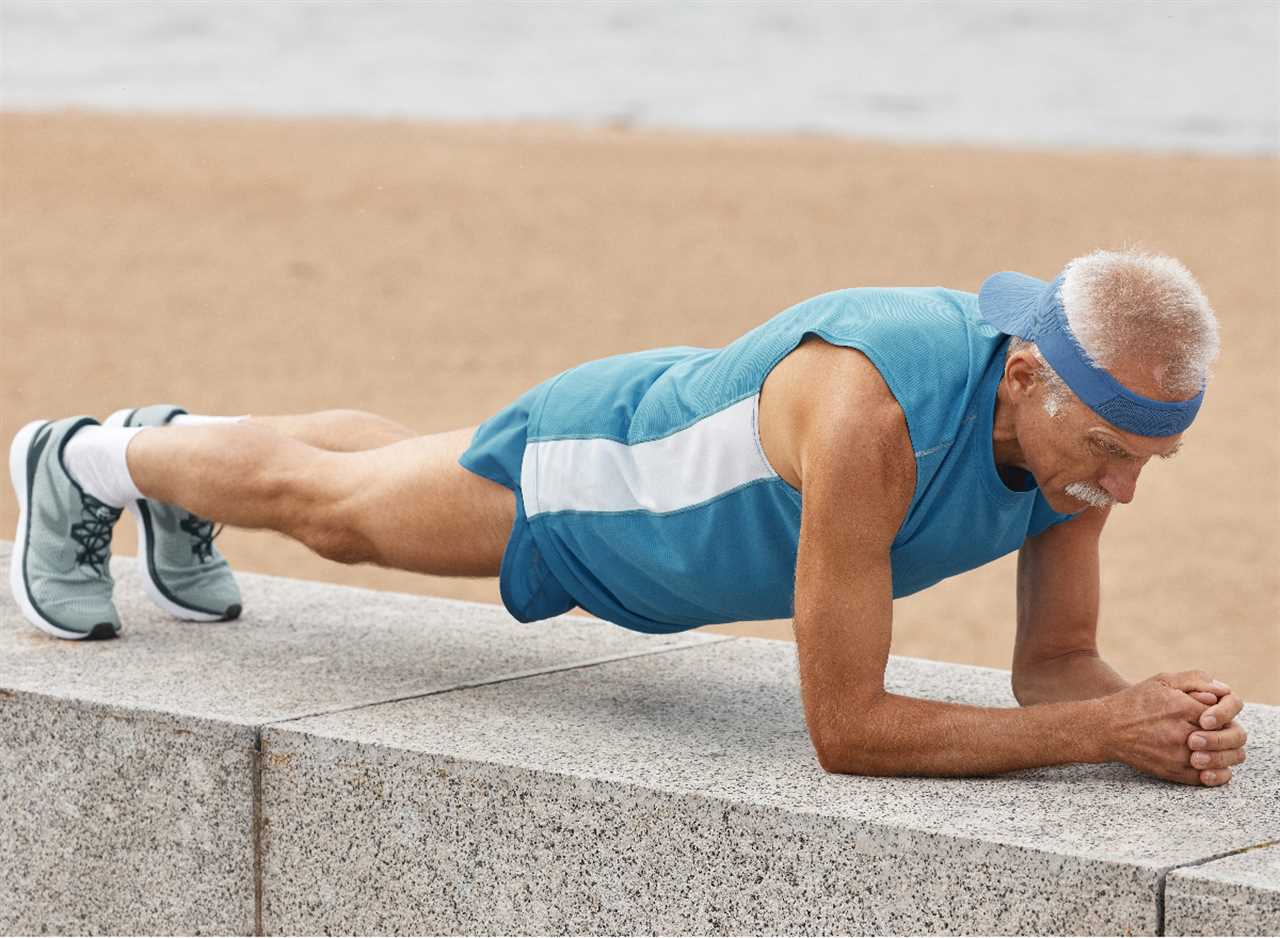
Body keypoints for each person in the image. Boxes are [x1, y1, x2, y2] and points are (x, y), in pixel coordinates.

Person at [8, 248, 1247, 787]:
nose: (1123, 488)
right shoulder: (874, 414)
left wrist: (1152, 719)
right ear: (1023, 374)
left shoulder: (1074, 448)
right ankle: (85, 459)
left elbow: (1054, 666)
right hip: (606, 483)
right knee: (339, 513)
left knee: (381, 461)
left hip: (656, 454)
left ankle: (174, 455)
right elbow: (847, 726)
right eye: (1111, 451)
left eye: (1155, 459)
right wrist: (1096, 732)